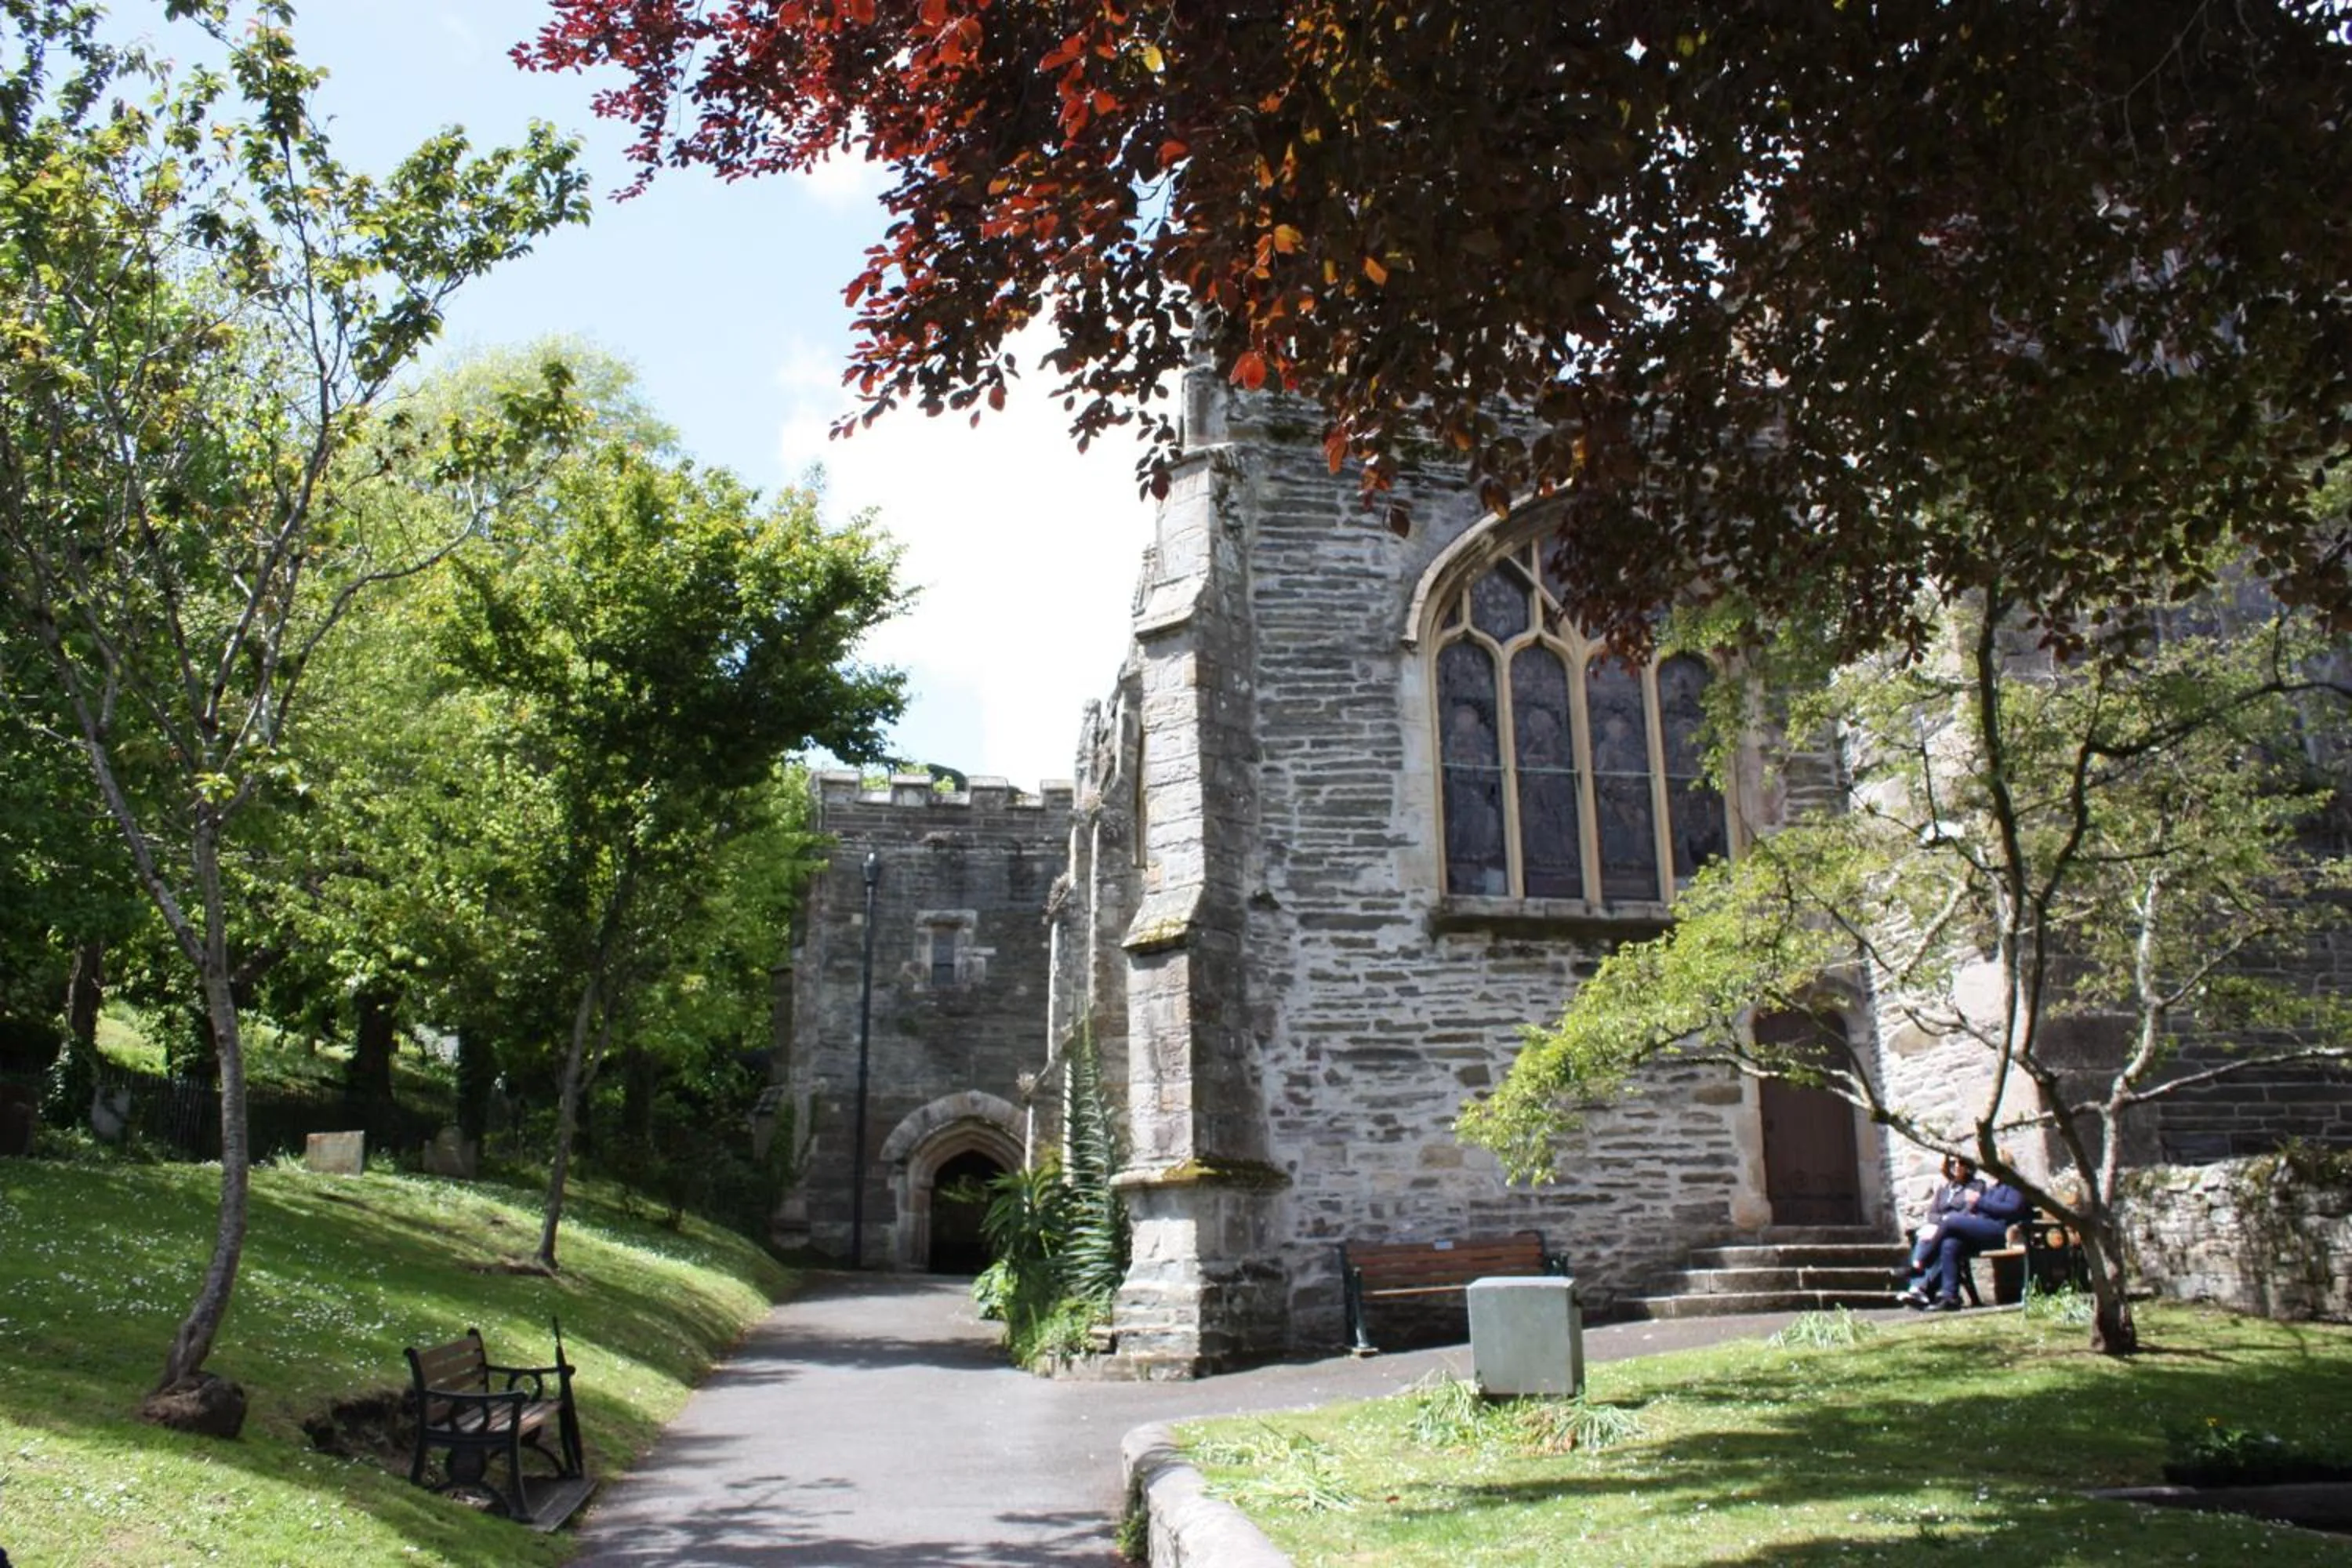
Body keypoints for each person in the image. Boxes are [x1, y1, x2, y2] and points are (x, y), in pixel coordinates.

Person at [1920, 1175, 2031, 1311]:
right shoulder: (1994, 1188)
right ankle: (1950, 1297)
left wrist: (1980, 1201)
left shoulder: (2015, 1186)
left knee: (1950, 1221)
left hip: (2002, 1232)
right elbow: (1982, 1208)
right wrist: (1974, 1211)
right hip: (1984, 1230)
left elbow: (2012, 1210)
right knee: (1950, 1243)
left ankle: (1922, 1262)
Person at [1896, 1154, 1984, 1306]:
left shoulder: (1976, 1186)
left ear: (1968, 1166)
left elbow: (1971, 1210)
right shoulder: (1944, 1188)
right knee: (1927, 1235)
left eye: (1961, 1163)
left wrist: (1947, 1221)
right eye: (1952, 1163)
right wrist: (1942, 1223)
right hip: (1942, 1231)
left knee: (1942, 1240)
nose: (1957, 1166)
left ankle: (1919, 1277)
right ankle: (1918, 1288)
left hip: (1963, 1231)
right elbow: (1932, 1214)